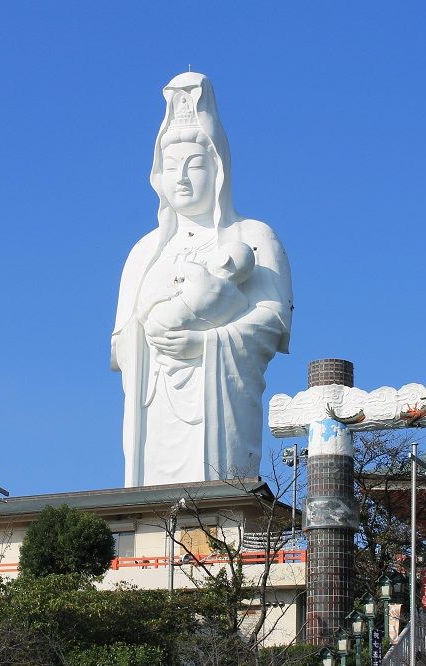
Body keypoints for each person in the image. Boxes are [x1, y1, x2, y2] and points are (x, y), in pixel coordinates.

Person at [111, 72, 293, 487]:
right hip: (154, 401)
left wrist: (205, 342)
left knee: (216, 490)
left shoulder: (253, 236)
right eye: (172, 167)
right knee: (150, 500)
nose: (183, 178)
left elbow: (273, 325)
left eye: (195, 165)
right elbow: (122, 343)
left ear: (219, 169)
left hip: (218, 401)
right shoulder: (143, 252)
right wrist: (157, 327)